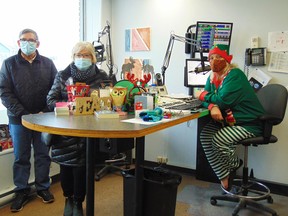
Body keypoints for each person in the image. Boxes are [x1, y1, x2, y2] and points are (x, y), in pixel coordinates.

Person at [46, 41, 111, 216]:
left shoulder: (102, 76)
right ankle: (68, 199)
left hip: (90, 131)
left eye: (86, 55)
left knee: (83, 170)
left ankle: (78, 202)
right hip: (66, 130)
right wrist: (69, 105)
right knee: (66, 167)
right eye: (79, 55)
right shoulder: (62, 76)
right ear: (73, 57)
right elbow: (50, 100)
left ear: (93, 57)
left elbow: (109, 100)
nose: (82, 58)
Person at [0, 29, 57, 212]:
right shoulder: (8, 64)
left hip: (43, 118)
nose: (27, 43)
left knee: (42, 155)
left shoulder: (48, 64)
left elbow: (55, 90)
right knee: (21, 157)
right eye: (24, 40)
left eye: (31, 40)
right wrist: (24, 113)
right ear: (18, 43)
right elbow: (4, 92)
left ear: (38, 44)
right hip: (19, 120)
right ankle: (21, 191)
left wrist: (46, 110)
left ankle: (43, 188)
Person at [196, 44, 265, 191]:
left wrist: (203, 95)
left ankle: (234, 164)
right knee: (205, 136)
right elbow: (207, 100)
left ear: (226, 59)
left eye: (218, 57)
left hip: (249, 123)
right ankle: (224, 177)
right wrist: (211, 106)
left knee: (219, 139)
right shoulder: (212, 77)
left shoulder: (235, 75)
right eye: (211, 58)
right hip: (230, 122)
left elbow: (221, 100)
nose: (214, 61)